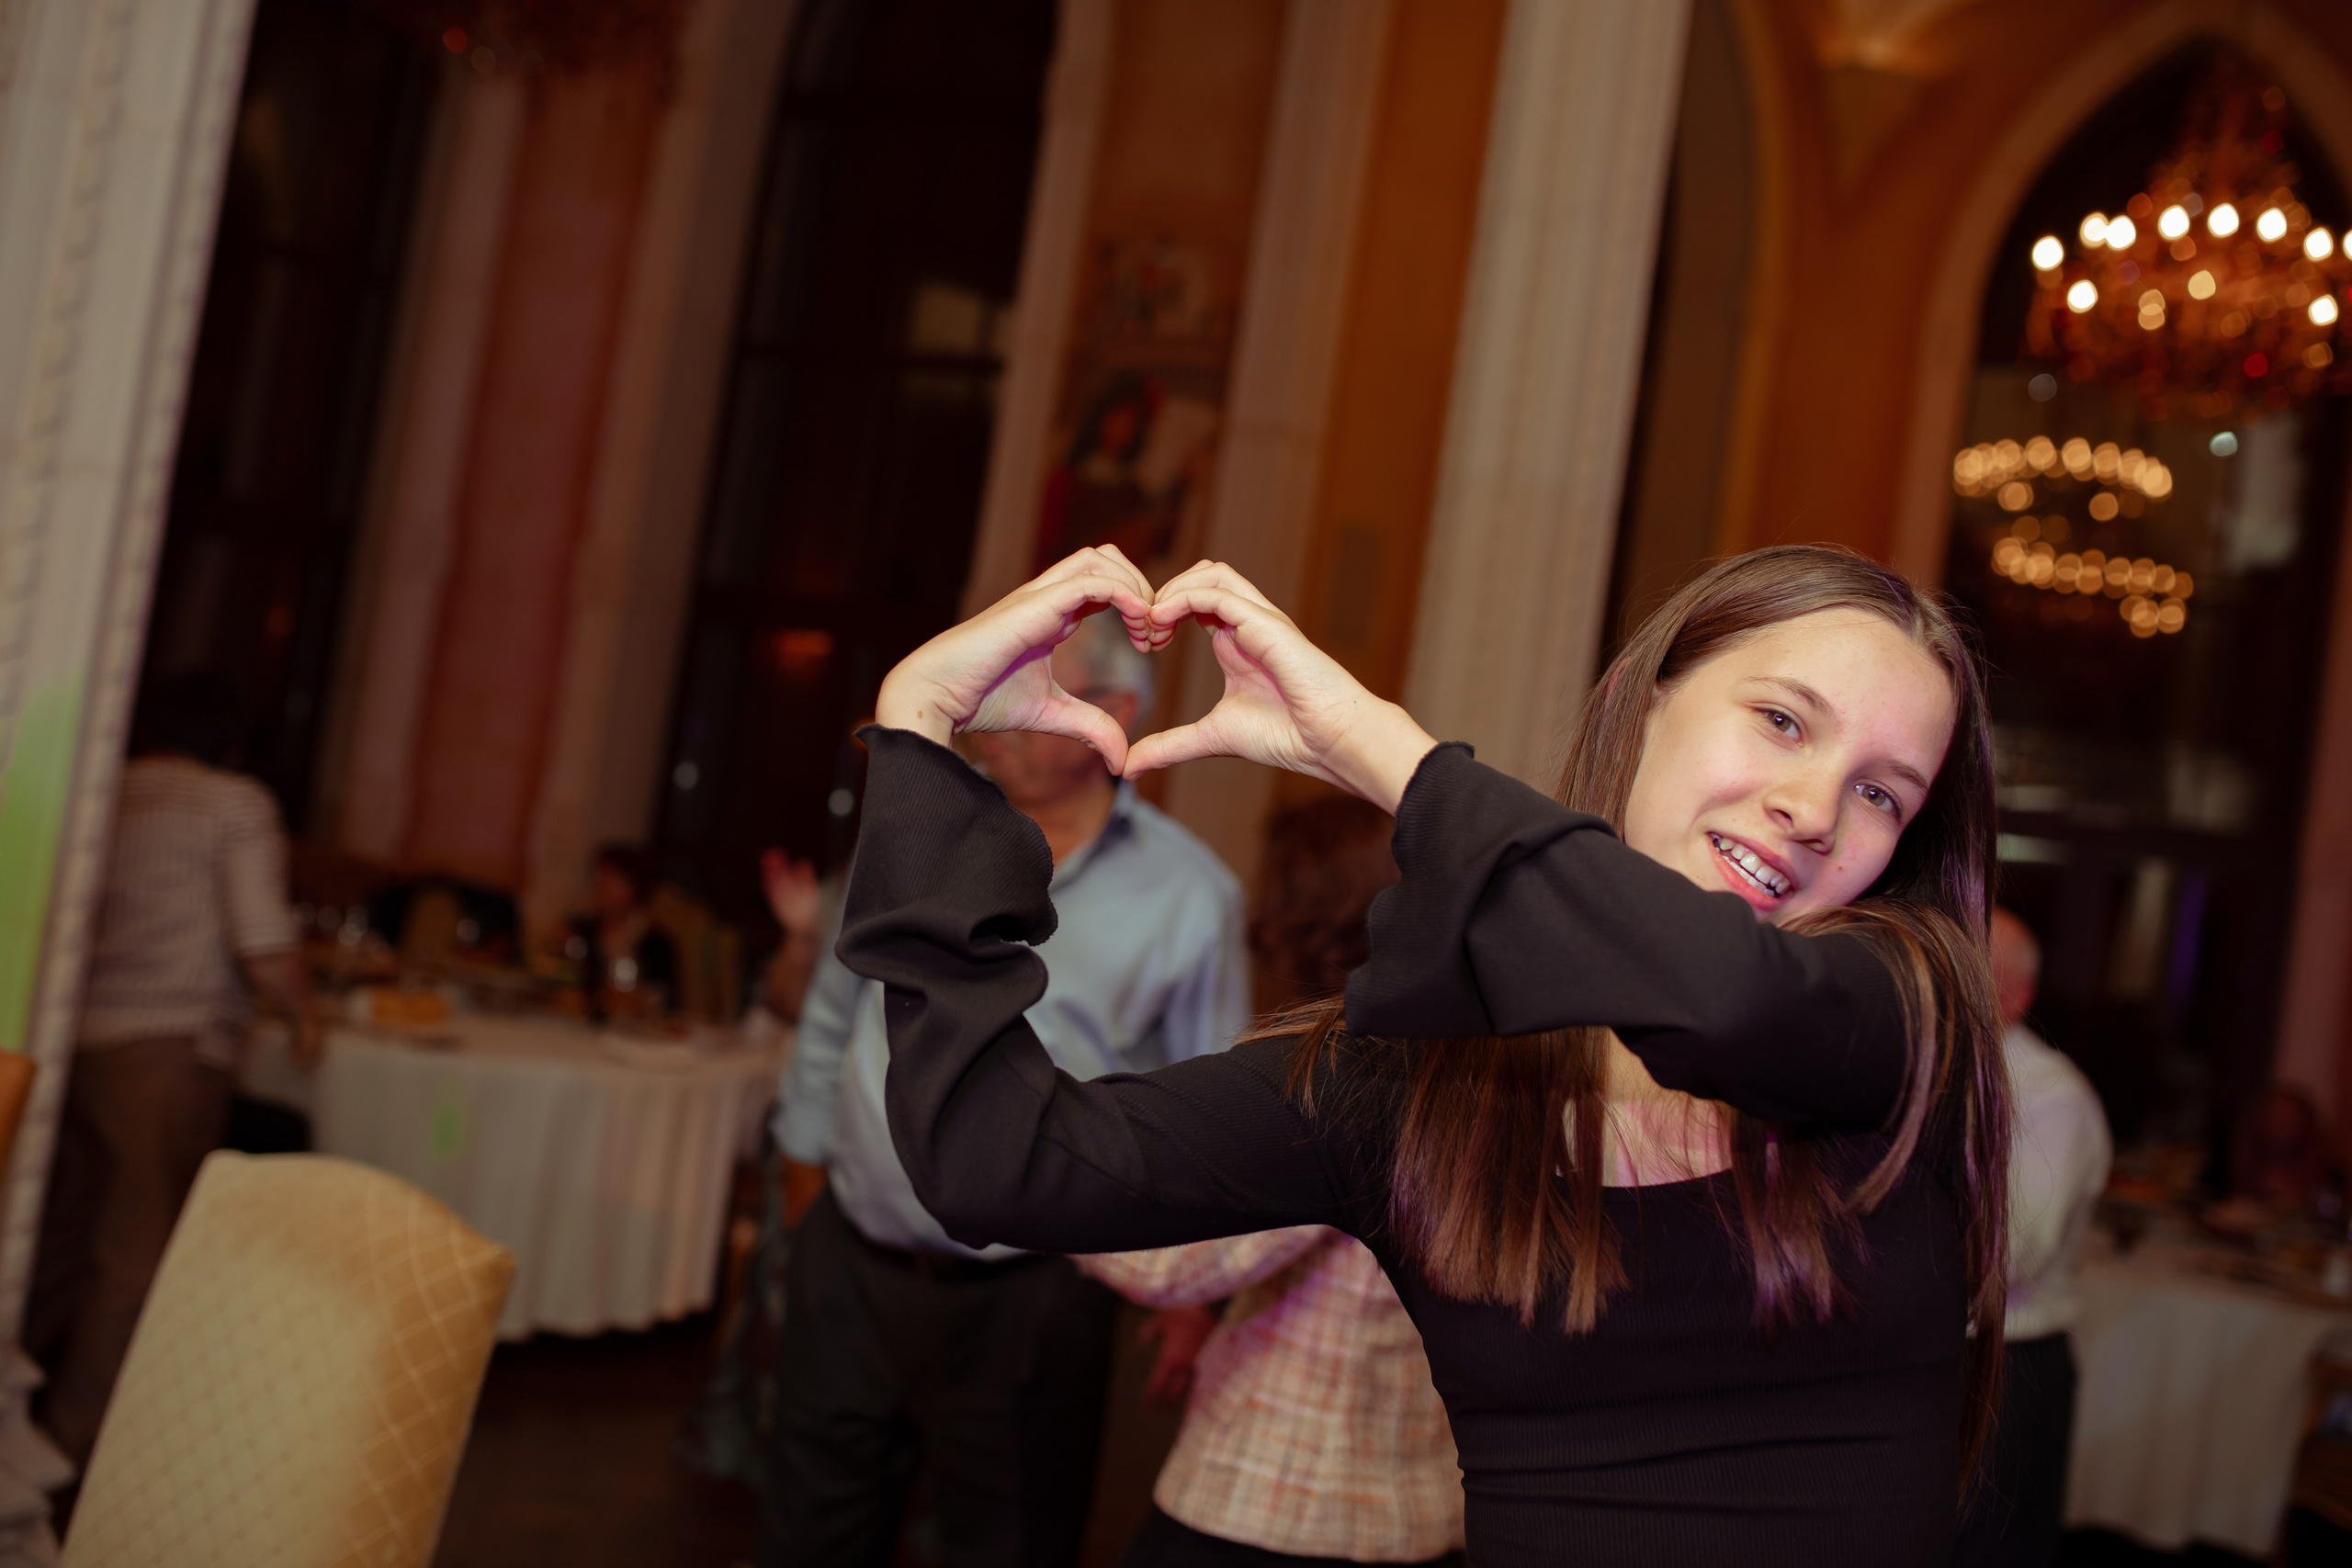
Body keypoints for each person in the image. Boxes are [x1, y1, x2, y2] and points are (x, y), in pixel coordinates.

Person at [839, 544, 2010, 1564]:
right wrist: (917, 732)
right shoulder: (1419, 1082)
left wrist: (1378, 752)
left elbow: (1724, 1001)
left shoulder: (1903, 1024)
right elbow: (997, 1161)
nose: (1814, 805)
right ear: (1647, 702)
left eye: (1880, 794)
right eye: (1783, 719)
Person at [763, 612, 1250, 1568]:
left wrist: (1190, 1295)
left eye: (1033, 698)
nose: (991, 721)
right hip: (853, 1263)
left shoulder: (1191, 897)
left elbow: (1209, 1104)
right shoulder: (922, 835)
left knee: (1012, 1537)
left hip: (1037, 1292)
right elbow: (830, 1016)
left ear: (1112, 714)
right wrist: (804, 1189)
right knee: (810, 1528)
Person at [1080, 794, 1464, 1568]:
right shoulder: (1464, 1058)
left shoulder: (1339, 1075)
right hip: (1418, 1502)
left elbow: (1176, 1262)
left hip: (1280, 1494)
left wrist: (1051, 1163)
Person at [26, 671, 319, 1468]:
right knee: (133, 1254)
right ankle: (61, 1449)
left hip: (72, 1040)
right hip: (165, 1046)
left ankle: (17, 1408)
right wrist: (307, 1016)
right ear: (232, 739)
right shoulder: (234, 803)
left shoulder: (111, 789)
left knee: (58, 1233)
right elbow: (262, 943)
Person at [1958, 909, 2110, 1567]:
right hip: (1938, 1353)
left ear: (2015, 995)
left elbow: (2008, 1255)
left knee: (1988, 1552)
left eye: (1966, 966)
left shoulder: (2054, 1099)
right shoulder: (1931, 1066)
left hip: (2006, 1367)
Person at [568, 844, 679, 1019]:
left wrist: (634, 1000)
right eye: (601, 876)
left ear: (636, 888)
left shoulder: (655, 942)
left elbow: (666, 1000)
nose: (604, 886)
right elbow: (561, 980)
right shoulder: (580, 930)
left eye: (616, 880)